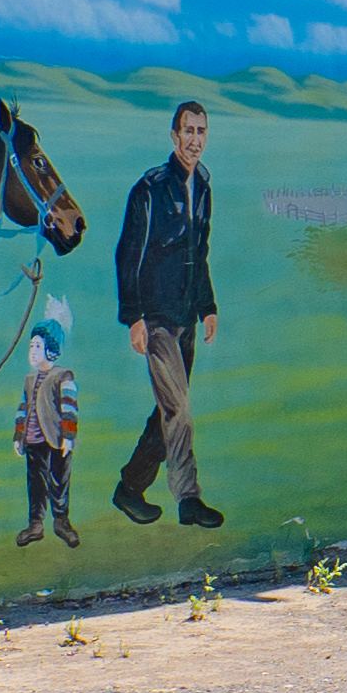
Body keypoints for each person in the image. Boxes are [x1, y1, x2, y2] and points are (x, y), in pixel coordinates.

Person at [112, 99, 223, 527]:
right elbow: (128, 253)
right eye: (188, 131)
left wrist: (208, 307)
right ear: (173, 136)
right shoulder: (150, 188)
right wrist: (134, 317)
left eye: (201, 132)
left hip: (187, 317)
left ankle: (129, 488)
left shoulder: (205, 188)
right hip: (156, 318)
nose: (195, 140)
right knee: (179, 410)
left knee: (167, 410)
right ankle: (188, 498)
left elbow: (201, 253)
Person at [13, 303, 81, 548]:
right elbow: (23, 409)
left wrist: (68, 437)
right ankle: (35, 524)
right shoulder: (29, 379)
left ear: (51, 351)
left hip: (55, 440)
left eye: (38, 346)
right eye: (31, 346)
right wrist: (18, 437)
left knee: (59, 481)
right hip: (33, 442)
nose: (32, 351)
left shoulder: (63, 376)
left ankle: (61, 521)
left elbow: (69, 408)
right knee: (36, 483)